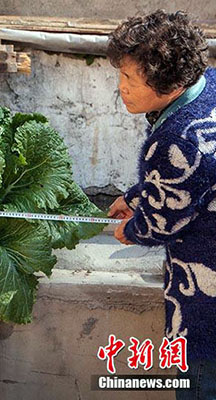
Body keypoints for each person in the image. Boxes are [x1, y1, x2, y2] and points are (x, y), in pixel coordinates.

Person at [107, 10, 216, 399]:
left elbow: (162, 221)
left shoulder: (177, 141)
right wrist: (136, 196)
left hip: (208, 293)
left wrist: (132, 229)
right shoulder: (209, 87)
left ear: (169, 83)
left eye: (130, 79)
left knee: (201, 380)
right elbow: (195, 181)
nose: (121, 87)